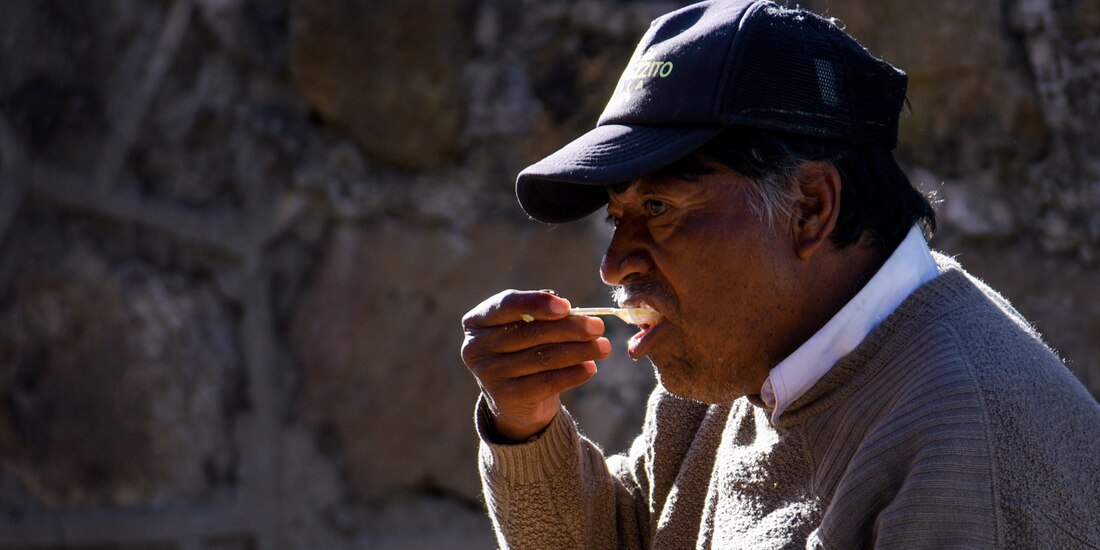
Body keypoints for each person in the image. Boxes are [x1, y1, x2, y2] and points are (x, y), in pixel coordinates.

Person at [460, 1, 1100, 547]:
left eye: (658, 208)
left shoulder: (959, 455)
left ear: (809, 210)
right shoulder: (743, 357)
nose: (614, 262)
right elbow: (638, 533)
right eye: (616, 217)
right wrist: (527, 422)